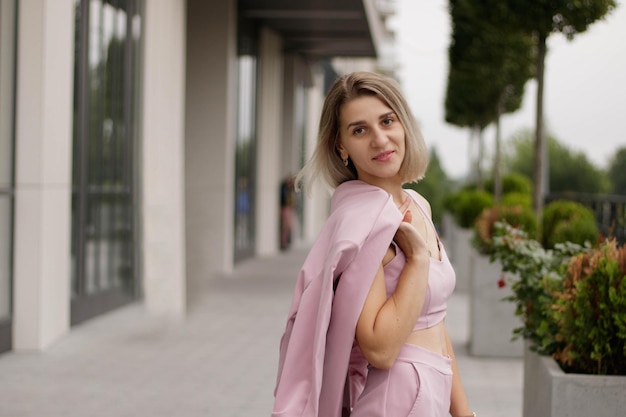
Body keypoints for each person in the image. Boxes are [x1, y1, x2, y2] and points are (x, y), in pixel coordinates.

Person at [271, 71, 475, 417]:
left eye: (387, 121)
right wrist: (419, 261)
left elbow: (436, 325)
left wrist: (464, 413)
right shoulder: (364, 222)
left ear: (404, 125)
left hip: (434, 395)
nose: (380, 139)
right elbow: (379, 348)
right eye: (359, 130)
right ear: (341, 147)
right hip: (398, 401)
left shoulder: (418, 205)